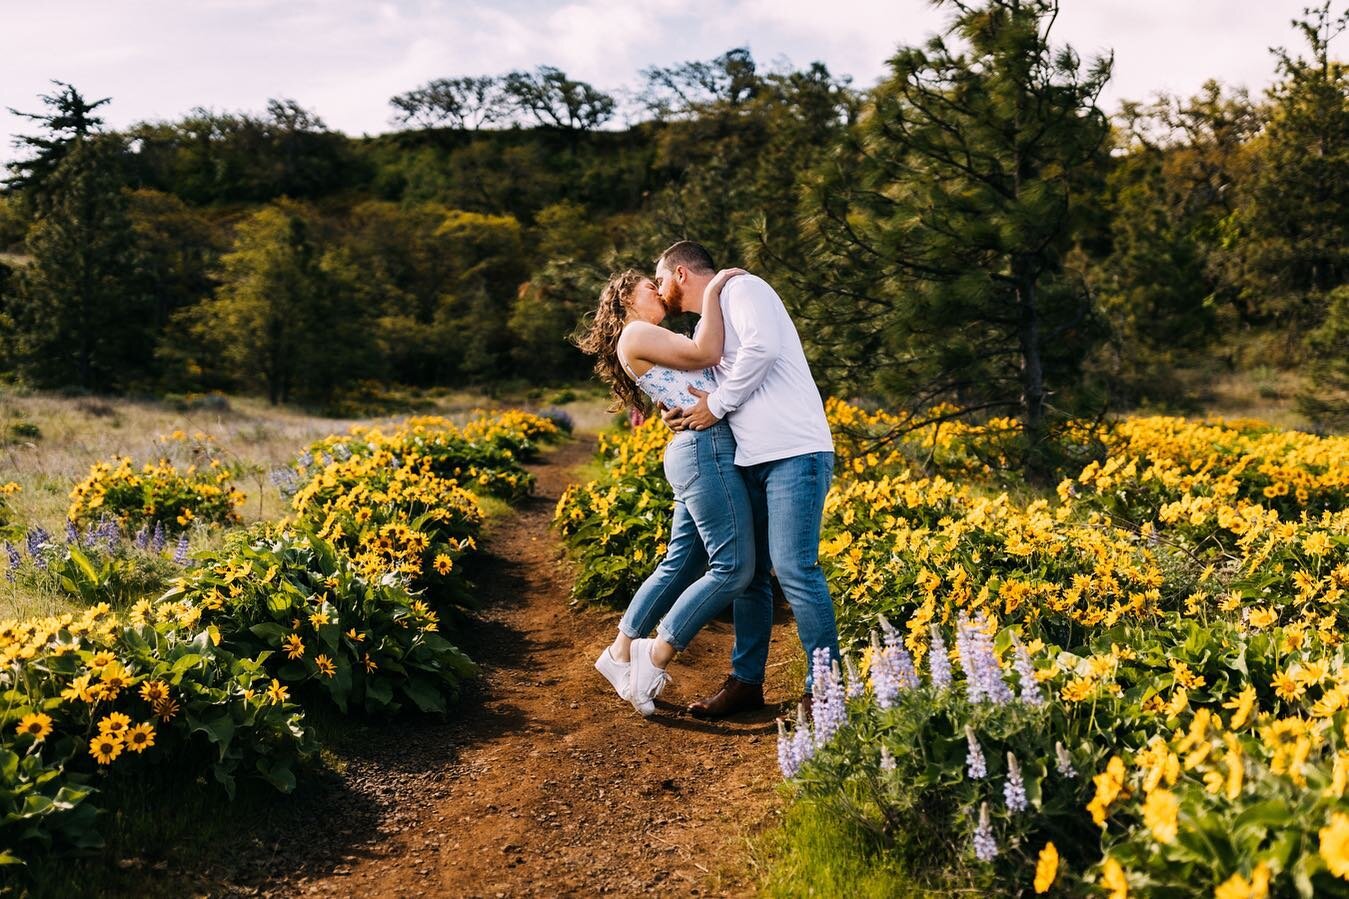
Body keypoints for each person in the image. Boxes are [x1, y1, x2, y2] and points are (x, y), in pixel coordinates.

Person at [655, 241, 840, 718]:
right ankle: (745, 683)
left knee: (796, 569)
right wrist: (682, 408)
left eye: (659, 281)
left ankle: (826, 691)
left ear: (680, 273)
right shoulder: (705, 326)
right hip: (749, 457)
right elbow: (717, 388)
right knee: (752, 576)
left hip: (795, 450)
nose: (657, 292)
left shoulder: (743, 287)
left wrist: (714, 405)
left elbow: (762, 349)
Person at [575, 264, 752, 716]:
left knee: (681, 563)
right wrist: (714, 288)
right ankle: (651, 655)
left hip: (695, 447)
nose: (662, 293)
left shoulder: (639, 338)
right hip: (704, 450)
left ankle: (618, 652)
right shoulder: (636, 333)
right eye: (652, 288)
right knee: (732, 567)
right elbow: (707, 351)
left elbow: (682, 383)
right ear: (627, 300)